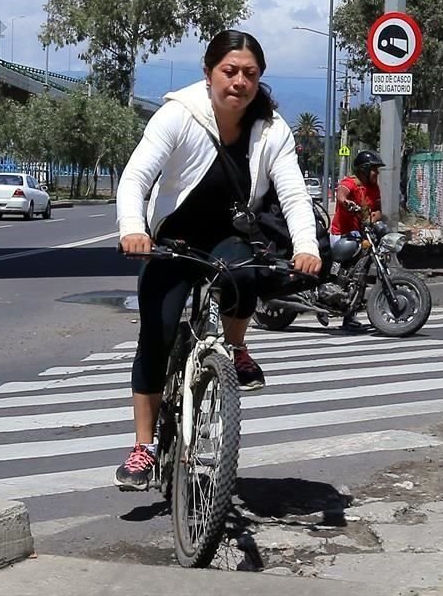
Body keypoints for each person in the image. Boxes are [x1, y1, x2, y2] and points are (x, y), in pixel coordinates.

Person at [114, 30, 322, 491]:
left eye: (250, 73)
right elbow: (136, 177)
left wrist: (306, 245)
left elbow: (291, 191)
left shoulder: (272, 130)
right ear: (208, 73)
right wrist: (134, 228)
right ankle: (143, 447)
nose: (239, 82)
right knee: (157, 331)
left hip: (228, 235)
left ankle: (235, 347)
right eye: (230, 71)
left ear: (260, 79)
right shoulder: (178, 116)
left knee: (246, 274)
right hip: (172, 237)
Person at [329, 150, 384, 330]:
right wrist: (346, 202)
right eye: (375, 169)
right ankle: (326, 303)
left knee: (359, 275)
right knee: (339, 274)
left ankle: (349, 317)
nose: (377, 173)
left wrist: (372, 219)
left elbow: (378, 211)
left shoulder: (374, 187)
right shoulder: (350, 183)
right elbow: (341, 194)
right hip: (342, 234)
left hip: (362, 235)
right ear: (364, 169)